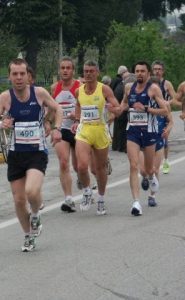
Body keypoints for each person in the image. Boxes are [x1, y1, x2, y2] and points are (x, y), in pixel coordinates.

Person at [0, 58, 63, 252]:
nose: (19, 78)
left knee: (31, 191)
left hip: (36, 153)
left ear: (28, 75)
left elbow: (58, 108)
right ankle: (28, 236)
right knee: (19, 200)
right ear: (10, 76)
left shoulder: (39, 93)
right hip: (16, 154)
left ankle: (36, 213)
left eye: (22, 74)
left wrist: (57, 128)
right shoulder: (6, 97)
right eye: (15, 74)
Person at [71, 60, 122, 216]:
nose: (88, 74)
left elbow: (119, 109)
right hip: (84, 130)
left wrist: (113, 109)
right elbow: (79, 106)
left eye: (92, 71)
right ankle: (87, 192)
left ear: (97, 73)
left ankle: (101, 198)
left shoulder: (104, 89)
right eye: (86, 71)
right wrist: (77, 121)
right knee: (81, 166)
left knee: (99, 170)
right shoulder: (79, 91)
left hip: (100, 131)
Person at [121, 60, 168, 216]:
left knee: (147, 169)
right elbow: (123, 106)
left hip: (149, 132)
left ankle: (151, 176)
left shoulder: (153, 89)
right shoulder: (129, 88)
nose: (139, 74)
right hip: (133, 131)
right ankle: (136, 203)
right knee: (134, 166)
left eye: (142, 71)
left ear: (148, 74)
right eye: (137, 71)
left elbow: (164, 112)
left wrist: (146, 108)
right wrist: (113, 111)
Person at [49, 56, 82, 213]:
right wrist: (47, 121)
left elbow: (86, 107)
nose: (65, 70)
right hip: (61, 129)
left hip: (77, 129)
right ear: (59, 70)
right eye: (62, 68)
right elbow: (51, 108)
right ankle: (69, 199)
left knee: (79, 166)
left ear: (73, 70)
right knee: (63, 163)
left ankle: (83, 179)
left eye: (68, 68)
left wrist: (76, 117)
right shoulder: (54, 87)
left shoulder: (79, 86)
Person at [139, 76, 173, 207]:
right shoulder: (142, 102)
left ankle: (152, 196)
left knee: (155, 170)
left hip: (158, 139)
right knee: (144, 170)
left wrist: (167, 130)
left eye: (156, 87)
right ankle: (144, 177)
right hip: (143, 139)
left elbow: (170, 121)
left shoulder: (164, 105)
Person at [152, 60, 176, 174]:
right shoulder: (150, 83)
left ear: (163, 71)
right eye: (155, 69)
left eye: (159, 69)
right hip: (152, 113)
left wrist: (166, 103)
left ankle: (165, 160)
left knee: (164, 138)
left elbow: (176, 98)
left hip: (164, 113)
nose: (157, 71)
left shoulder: (167, 84)